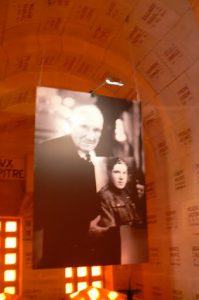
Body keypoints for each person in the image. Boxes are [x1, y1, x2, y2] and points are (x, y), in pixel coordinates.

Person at [33, 104, 109, 268]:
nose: (91, 136)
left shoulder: (101, 155)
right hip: (62, 251)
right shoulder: (49, 151)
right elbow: (44, 205)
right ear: (70, 126)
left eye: (97, 130)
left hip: (97, 252)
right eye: (84, 127)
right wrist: (85, 229)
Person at [98, 158, 143, 228]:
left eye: (124, 173)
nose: (121, 177)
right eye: (117, 172)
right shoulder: (104, 196)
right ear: (109, 173)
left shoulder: (127, 193)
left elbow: (138, 220)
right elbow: (110, 229)